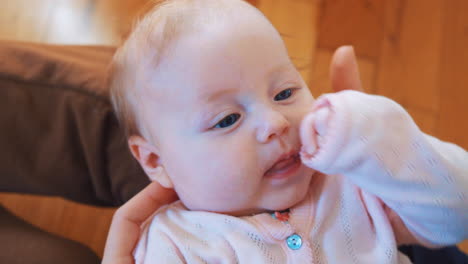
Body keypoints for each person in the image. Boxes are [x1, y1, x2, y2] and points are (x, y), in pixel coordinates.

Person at [104, 0, 468, 263]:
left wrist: (381, 142)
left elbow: (457, 212)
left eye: (284, 93)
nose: (276, 123)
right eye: (227, 119)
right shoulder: (175, 244)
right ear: (155, 160)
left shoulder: (350, 181)